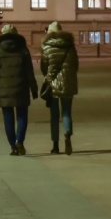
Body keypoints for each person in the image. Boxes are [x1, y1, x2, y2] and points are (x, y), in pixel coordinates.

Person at [0, 24, 38, 156]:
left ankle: (13, 146)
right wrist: (34, 88)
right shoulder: (23, 50)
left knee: (8, 118)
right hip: (21, 88)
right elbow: (29, 71)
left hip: (4, 90)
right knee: (22, 115)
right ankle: (20, 141)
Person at [40, 21, 78, 155]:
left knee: (54, 115)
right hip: (68, 83)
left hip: (53, 85)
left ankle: (55, 145)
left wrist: (48, 78)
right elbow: (75, 65)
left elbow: (44, 67)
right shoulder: (70, 46)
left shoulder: (47, 47)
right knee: (67, 112)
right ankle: (67, 135)